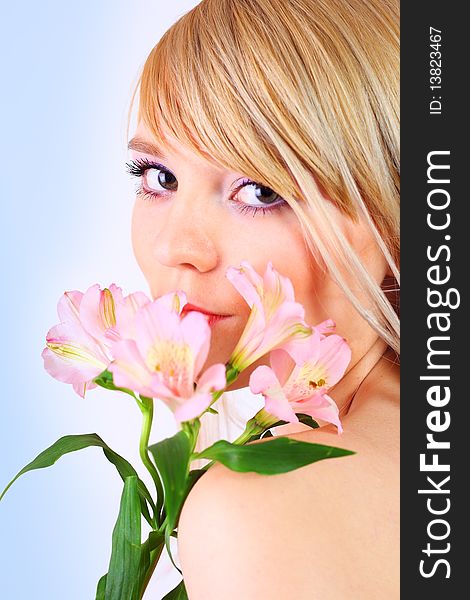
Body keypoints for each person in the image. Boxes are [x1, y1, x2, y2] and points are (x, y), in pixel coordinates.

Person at [126, 0, 399, 597]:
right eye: (157, 177)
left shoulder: (256, 511)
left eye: (259, 189)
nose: (178, 247)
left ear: (390, 211)